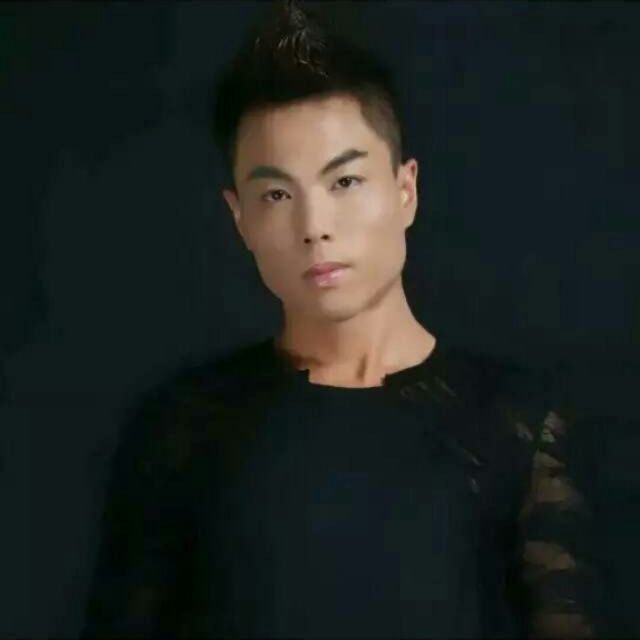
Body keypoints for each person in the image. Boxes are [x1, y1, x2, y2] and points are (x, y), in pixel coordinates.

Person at [80, 0, 605, 637]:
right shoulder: (179, 427)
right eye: (277, 194)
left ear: (405, 190)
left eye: (345, 182)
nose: (314, 227)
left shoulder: (518, 424)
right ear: (240, 218)